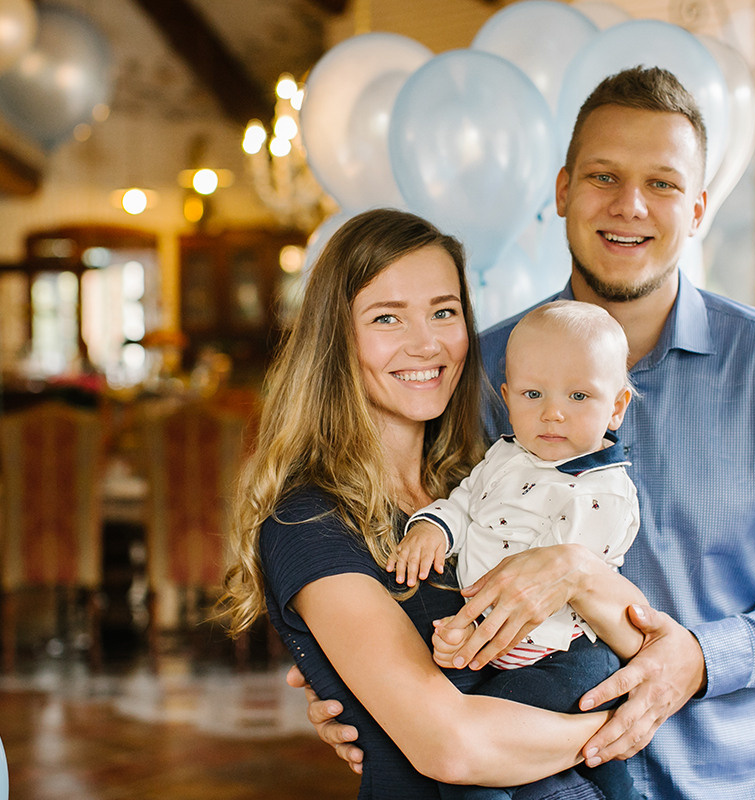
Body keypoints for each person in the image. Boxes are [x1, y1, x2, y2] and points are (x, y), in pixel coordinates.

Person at [295, 67, 755, 799]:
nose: (630, 206)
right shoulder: (478, 371)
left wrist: (704, 659)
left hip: (741, 779)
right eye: (603, 176)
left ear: (699, 207)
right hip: (543, 781)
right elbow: (403, 549)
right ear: (561, 191)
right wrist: (351, 686)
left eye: (664, 185)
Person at [221, 208, 651, 800]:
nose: (426, 344)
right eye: (387, 317)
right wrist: (622, 727)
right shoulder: (309, 521)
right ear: (336, 340)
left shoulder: (479, 477)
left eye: (444, 312)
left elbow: (645, 639)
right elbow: (451, 745)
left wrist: (575, 573)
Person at [389, 300, 642, 800]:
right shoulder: (505, 456)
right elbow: (465, 503)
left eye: (578, 395)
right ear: (507, 398)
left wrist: (468, 633)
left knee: (475, 761)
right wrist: (434, 529)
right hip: (494, 648)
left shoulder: (602, 490)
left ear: (616, 407)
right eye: (533, 394)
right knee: (425, 723)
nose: (552, 412)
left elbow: (552, 580)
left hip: (560, 655)